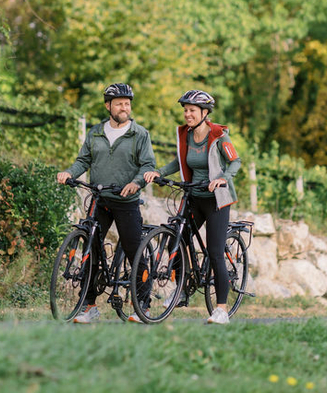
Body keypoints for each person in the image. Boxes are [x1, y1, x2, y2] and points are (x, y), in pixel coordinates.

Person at [57, 83, 155, 323]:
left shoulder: (139, 133)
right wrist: (70, 172)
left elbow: (148, 166)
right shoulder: (95, 132)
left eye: (128, 103)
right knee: (90, 251)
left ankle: (144, 305)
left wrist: (136, 182)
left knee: (135, 251)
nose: (125, 108)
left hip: (126, 201)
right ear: (108, 106)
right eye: (120, 103)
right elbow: (84, 160)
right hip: (100, 199)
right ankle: (88, 305)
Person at [143, 89, 241, 325]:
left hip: (216, 199)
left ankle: (221, 310)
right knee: (176, 236)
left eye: (192, 111)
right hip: (193, 196)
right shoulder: (186, 135)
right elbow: (180, 161)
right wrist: (159, 172)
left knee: (215, 252)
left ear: (205, 113)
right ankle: (182, 289)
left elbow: (235, 161)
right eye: (185, 110)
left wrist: (223, 178)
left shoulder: (218, 135)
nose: (187, 114)